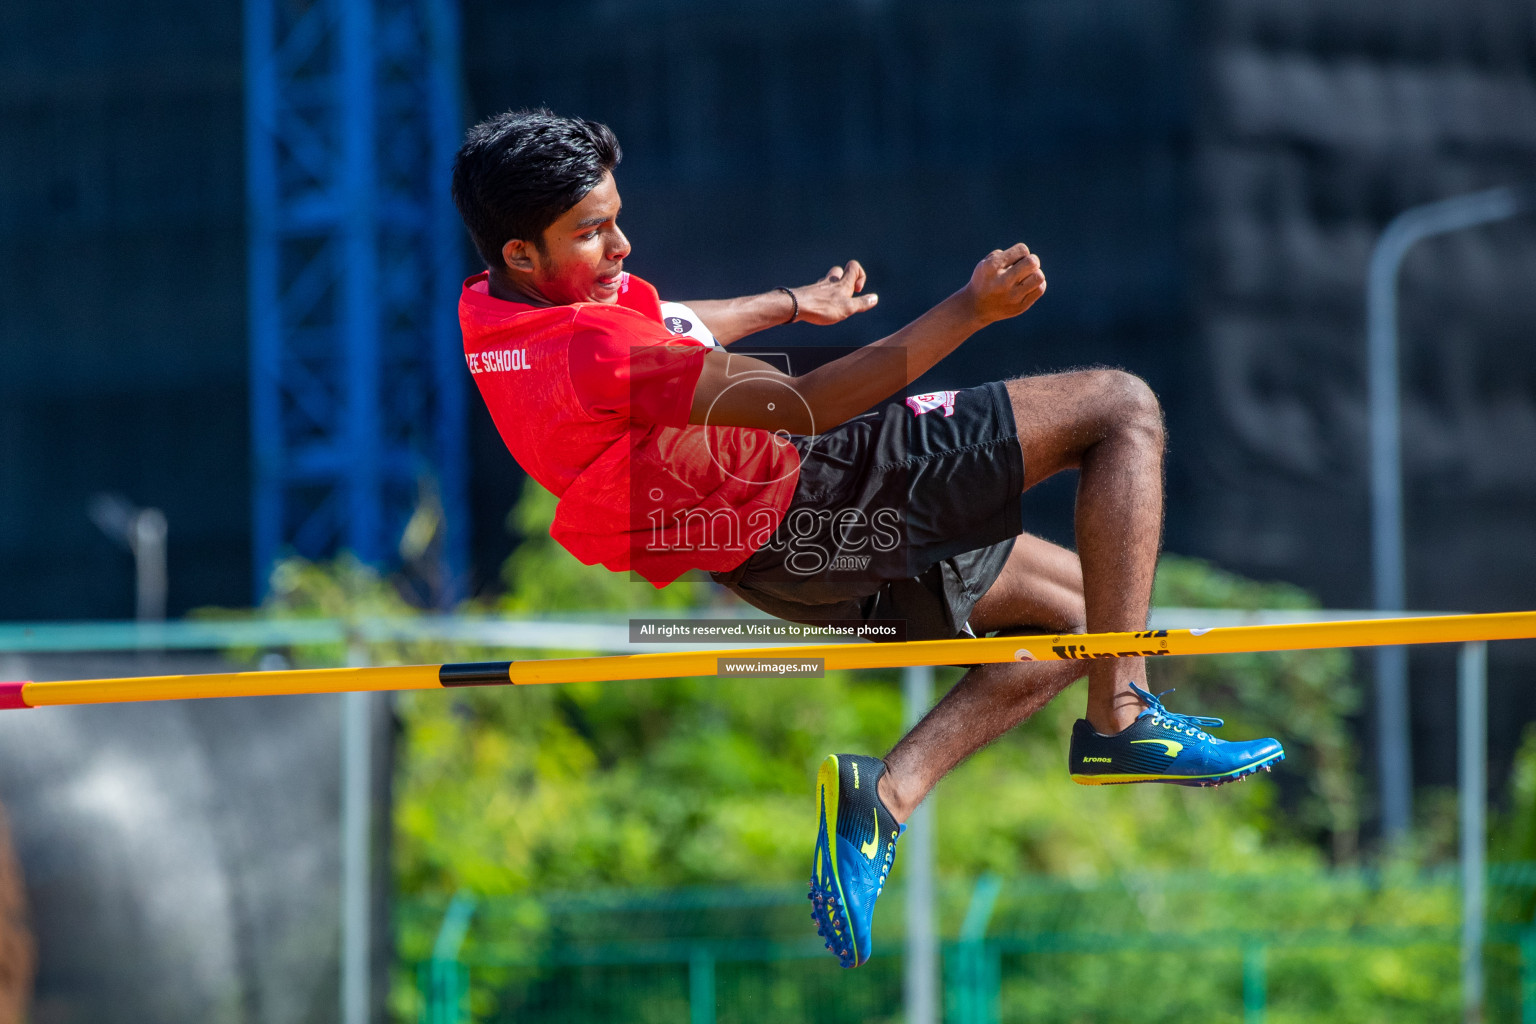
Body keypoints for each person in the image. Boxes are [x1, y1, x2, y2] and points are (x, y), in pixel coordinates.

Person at [451, 108, 1284, 969]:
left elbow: (664, 322)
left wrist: (786, 304)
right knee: (1120, 408)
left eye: (617, 218)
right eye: (594, 232)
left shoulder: (498, 312)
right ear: (521, 251)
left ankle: (882, 796)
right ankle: (1123, 720)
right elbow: (804, 405)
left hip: (775, 566)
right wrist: (968, 309)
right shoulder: (595, 350)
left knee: (1089, 610)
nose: (621, 246)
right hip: (819, 493)